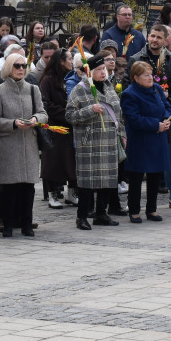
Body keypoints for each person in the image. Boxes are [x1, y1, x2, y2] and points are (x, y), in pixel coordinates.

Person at [0, 53, 47, 237]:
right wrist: (14, 123)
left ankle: (27, 224)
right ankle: (7, 224)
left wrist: (35, 119)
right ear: (8, 68)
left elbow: (43, 113)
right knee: (9, 187)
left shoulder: (32, 89)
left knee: (28, 187)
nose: (21, 69)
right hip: (8, 144)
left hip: (29, 143)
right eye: (17, 66)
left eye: (23, 65)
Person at [129, 25, 171, 209]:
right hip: (144, 116)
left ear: (166, 40)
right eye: (152, 36)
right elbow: (128, 85)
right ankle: (135, 202)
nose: (155, 40)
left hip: (167, 115)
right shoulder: (136, 58)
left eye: (159, 37)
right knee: (140, 159)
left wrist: (168, 103)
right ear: (148, 37)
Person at [66, 53, 125, 230]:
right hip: (89, 142)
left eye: (104, 69)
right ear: (89, 72)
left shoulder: (109, 87)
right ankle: (82, 216)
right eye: (99, 70)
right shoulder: (80, 88)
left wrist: (122, 134)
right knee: (87, 182)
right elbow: (69, 115)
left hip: (109, 141)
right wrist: (90, 110)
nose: (103, 73)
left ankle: (101, 214)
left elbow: (119, 114)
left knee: (107, 179)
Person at [120, 61, 171, 223]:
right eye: (146, 75)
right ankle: (134, 211)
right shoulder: (130, 94)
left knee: (155, 175)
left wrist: (166, 119)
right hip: (140, 140)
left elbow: (167, 107)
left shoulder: (156, 89)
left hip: (157, 139)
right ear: (136, 78)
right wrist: (155, 125)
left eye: (151, 74)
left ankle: (152, 209)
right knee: (136, 176)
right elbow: (133, 119)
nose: (150, 78)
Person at [40, 48, 76, 209]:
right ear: (61, 61)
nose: (72, 61)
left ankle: (72, 192)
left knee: (71, 161)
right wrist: (66, 113)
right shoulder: (48, 80)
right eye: (69, 58)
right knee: (53, 162)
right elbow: (46, 104)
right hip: (56, 126)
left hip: (71, 126)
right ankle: (52, 194)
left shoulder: (70, 78)